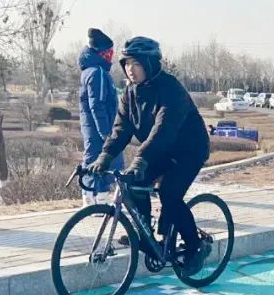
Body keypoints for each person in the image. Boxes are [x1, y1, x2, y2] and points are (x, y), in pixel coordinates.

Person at [88, 36, 211, 274]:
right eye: (126, 63)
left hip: (189, 150)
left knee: (170, 194)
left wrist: (141, 158)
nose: (130, 69)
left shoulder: (171, 89)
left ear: (150, 64)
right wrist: (104, 157)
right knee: (134, 184)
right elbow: (121, 129)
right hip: (160, 149)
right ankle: (147, 236)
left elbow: (163, 129)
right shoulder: (130, 93)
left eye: (136, 63)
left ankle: (196, 246)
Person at [78, 28, 123, 205]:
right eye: (110, 52)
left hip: (90, 126)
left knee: (93, 158)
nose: (111, 56)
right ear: (102, 53)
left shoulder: (89, 71)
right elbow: (97, 104)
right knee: (103, 160)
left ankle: (92, 199)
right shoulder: (98, 73)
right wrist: (105, 132)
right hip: (100, 127)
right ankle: (98, 199)